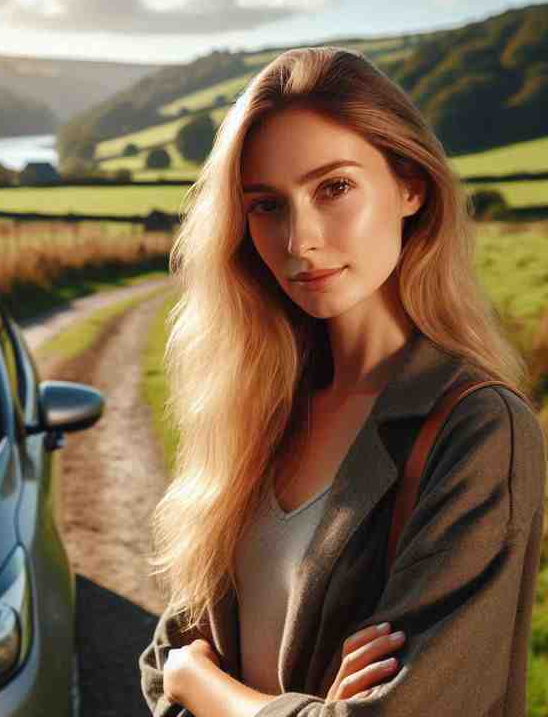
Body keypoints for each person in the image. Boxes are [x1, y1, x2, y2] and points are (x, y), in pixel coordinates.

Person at [138, 45, 547, 717]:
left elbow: (182, 673)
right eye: (267, 206)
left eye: (334, 188)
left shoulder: (480, 431)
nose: (300, 240)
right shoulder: (256, 409)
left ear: (411, 186)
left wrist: (204, 687)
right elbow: (162, 660)